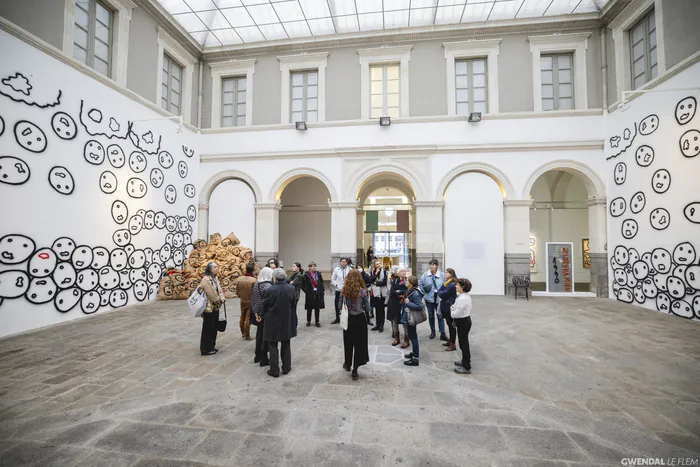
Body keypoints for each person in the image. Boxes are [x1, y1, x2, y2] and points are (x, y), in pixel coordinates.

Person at [260, 268, 297, 378]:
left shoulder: (270, 290)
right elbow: (293, 304)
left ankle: (274, 370)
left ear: (274, 277)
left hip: (272, 320)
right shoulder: (291, 288)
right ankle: (286, 367)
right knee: (286, 344)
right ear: (285, 276)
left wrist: (263, 315)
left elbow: (264, 305)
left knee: (272, 345)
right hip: (286, 319)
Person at [339, 269, 370, 380]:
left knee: (348, 343)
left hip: (349, 319)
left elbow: (339, 306)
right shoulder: (363, 291)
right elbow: (368, 307)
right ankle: (355, 370)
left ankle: (347, 364)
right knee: (359, 344)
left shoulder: (344, 291)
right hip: (360, 319)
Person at [199, 262, 226, 355]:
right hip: (209, 308)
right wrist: (219, 300)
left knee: (214, 327)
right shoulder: (206, 280)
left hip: (215, 307)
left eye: (217, 267)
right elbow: (211, 294)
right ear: (209, 269)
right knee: (208, 328)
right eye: (215, 267)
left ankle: (212, 345)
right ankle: (205, 348)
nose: (217, 268)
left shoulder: (215, 278)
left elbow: (219, 290)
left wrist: (222, 298)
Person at [419, 259, 446, 341]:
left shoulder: (441, 275)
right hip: (429, 299)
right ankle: (432, 331)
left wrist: (443, 294)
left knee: (440, 315)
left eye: (433, 264)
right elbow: (421, 285)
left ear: (437, 266)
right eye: (430, 264)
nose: (431, 266)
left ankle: (442, 333)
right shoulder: (425, 275)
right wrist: (424, 294)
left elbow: (445, 285)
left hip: (439, 298)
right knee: (431, 316)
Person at [252, 267, 274, 366]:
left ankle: (258, 356)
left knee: (259, 335)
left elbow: (254, 299)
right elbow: (267, 303)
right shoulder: (268, 286)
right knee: (266, 336)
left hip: (259, 313)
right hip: (266, 314)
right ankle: (264, 358)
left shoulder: (257, 284)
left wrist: (256, 313)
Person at [452, 278, 473, 375]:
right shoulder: (464, 296)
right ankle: (464, 361)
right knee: (462, 343)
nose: (455, 286)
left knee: (464, 344)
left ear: (462, 287)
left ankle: (466, 366)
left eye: (457, 285)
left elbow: (456, 314)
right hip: (465, 320)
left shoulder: (463, 299)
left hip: (463, 322)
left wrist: (451, 310)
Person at [403, 276, 425, 367]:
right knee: (412, 336)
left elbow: (420, 306)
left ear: (411, 283)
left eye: (407, 281)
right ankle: (414, 352)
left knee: (413, 337)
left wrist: (408, 303)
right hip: (409, 316)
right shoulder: (410, 291)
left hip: (412, 317)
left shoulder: (415, 293)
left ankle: (415, 358)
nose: (405, 281)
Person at [387, 267, 409, 348]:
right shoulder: (395, 281)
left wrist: (399, 292)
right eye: (401, 271)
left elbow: (408, 291)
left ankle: (406, 339)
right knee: (395, 320)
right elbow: (392, 291)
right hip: (395, 304)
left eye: (404, 271)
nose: (403, 272)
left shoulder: (408, 281)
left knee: (404, 321)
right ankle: (397, 338)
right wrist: (400, 293)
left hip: (404, 304)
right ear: (398, 273)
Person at [234, 262, 257, 340]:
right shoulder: (253, 280)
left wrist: (240, 296)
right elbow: (255, 291)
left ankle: (243, 333)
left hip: (242, 300)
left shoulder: (240, 279)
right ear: (253, 270)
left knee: (242, 316)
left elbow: (236, 290)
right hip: (250, 300)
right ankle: (247, 335)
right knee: (248, 318)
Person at [438, 268, 458, 352]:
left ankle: (453, 344)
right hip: (446, 306)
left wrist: (441, 290)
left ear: (451, 274)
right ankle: (450, 341)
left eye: (446, 272)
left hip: (449, 306)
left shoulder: (451, 284)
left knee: (451, 326)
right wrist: (441, 290)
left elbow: (442, 294)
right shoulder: (447, 282)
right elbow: (442, 291)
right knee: (449, 325)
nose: (445, 274)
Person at [301, 262, 325, 327]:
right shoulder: (306, 274)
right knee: (309, 307)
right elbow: (302, 284)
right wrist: (307, 291)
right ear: (309, 267)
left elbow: (321, 282)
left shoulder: (318, 274)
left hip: (317, 292)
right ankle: (308, 321)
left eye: (315, 266)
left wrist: (322, 290)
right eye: (312, 266)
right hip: (310, 293)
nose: (314, 267)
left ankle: (317, 321)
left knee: (317, 308)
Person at [330, 257, 352, 325]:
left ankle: (348, 317)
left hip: (347, 290)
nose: (343, 263)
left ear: (347, 262)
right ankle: (337, 318)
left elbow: (352, 279)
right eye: (342, 261)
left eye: (344, 261)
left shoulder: (350, 269)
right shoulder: (337, 269)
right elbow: (333, 279)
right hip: (338, 290)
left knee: (348, 303)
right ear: (340, 262)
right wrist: (336, 285)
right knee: (337, 304)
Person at [369, 259, 388, 332]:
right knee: (377, 309)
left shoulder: (384, 271)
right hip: (375, 293)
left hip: (382, 294)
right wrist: (376, 274)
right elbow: (370, 280)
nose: (379, 265)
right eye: (377, 264)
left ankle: (381, 325)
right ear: (374, 265)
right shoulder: (373, 272)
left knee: (381, 310)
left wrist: (376, 283)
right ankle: (377, 324)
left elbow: (384, 282)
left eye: (379, 263)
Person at [287, 262, 304, 328]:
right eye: (292, 266)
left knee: (293, 310)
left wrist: (290, 282)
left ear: (298, 268)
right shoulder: (294, 274)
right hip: (293, 294)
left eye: (294, 266)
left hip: (295, 295)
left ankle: (294, 324)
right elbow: (288, 281)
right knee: (292, 310)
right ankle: (293, 324)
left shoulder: (298, 276)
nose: (292, 267)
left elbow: (291, 284)